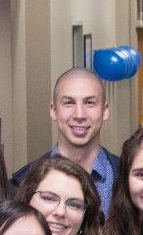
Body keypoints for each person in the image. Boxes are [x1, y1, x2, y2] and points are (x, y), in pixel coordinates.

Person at [8, 68, 118, 213]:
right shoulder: (20, 184)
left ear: (105, 110)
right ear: (53, 110)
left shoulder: (129, 179)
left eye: (90, 103)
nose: (79, 114)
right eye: (69, 103)